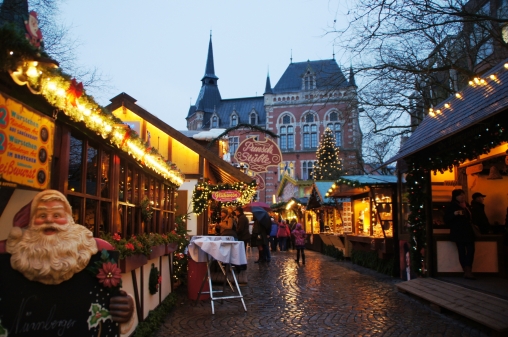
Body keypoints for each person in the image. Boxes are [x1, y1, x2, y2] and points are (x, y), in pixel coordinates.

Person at [0, 190, 134, 334]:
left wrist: (125, 308)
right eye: (42, 215)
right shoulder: (8, 256)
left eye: (57, 215)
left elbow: (108, 302)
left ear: (69, 220)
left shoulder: (97, 251)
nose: (49, 220)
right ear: (30, 223)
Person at [444, 189, 476, 279]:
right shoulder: (452, 206)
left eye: (463, 195)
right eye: (460, 195)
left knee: (471, 250)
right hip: (459, 232)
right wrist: (454, 214)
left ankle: (468, 269)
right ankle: (467, 270)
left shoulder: (467, 206)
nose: (462, 197)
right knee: (462, 251)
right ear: (455, 196)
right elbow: (446, 219)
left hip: (468, 232)